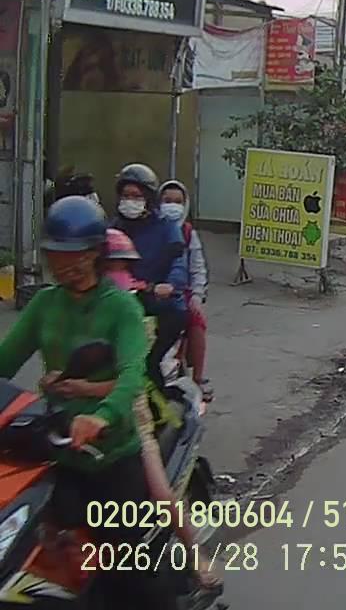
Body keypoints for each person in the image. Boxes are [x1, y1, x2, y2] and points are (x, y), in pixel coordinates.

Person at [0, 196, 176, 610]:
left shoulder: (121, 307)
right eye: (56, 254)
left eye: (75, 254)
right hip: (55, 450)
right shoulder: (46, 303)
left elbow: (132, 374)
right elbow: (6, 359)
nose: (64, 264)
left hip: (110, 457)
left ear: (96, 253)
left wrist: (101, 417)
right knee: (38, 554)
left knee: (129, 570)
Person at [87, 229, 222, 590]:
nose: (114, 274)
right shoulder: (72, 306)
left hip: (130, 413)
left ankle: (197, 558)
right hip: (76, 415)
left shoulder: (131, 308)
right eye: (109, 266)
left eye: (121, 267)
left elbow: (128, 376)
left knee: (160, 494)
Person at [111, 163, 188, 389]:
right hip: (123, 300)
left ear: (148, 199)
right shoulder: (114, 228)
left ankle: (158, 375)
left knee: (151, 360)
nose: (130, 201)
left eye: (136, 196)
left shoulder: (166, 227)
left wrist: (170, 285)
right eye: (126, 196)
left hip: (157, 300)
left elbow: (178, 260)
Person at [158, 180, 212, 402]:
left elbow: (198, 269)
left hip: (181, 293)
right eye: (167, 201)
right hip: (151, 290)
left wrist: (197, 296)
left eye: (177, 202)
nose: (172, 206)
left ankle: (198, 379)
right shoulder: (152, 230)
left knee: (196, 321)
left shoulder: (189, 233)